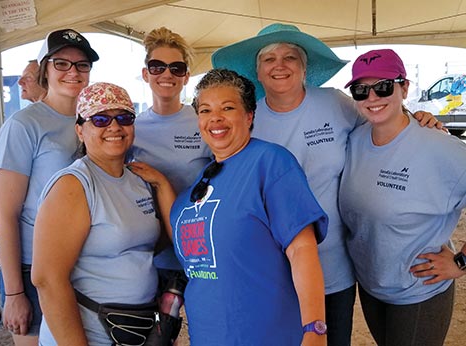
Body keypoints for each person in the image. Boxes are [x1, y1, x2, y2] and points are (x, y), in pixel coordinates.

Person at [211, 23, 441, 346]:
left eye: (290, 57)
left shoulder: (335, 104)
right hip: (269, 273)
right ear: (258, 73)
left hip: (333, 270)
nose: (280, 65)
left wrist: (416, 118)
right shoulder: (246, 120)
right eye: (269, 59)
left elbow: (385, 127)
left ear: (304, 68)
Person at [164, 68, 328, 345]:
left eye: (227, 108)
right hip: (208, 335)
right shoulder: (196, 187)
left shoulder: (270, 163)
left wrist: (314, 330)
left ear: (249, 115)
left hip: (268, 334)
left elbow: (302, 249)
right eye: (205, 110)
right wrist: (160, 184)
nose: (215, 118)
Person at [339, 48, 466, 346]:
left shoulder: (441, 148)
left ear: (404, 87)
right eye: (360, 91)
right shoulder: (354, 140)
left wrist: (461, 262)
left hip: (418, 293)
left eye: (383, 86)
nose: (372, 98)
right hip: (371, 288)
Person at [32, 82, 171, 345]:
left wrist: (163, 185)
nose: (114, 127)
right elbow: (47, 280)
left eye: (124, 117)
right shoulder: (74, 185)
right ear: (80, 130)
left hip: (133, 329)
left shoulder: (138, 179)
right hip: (92, 334)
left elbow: (151, 243)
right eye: (100, 119)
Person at [0, 28, 98, 346]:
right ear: (45, 69)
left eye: (82, 64)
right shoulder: (24, 125)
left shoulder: (94, 120)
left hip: (83, 264)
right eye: (62, 63)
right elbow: (6, 215)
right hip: (31, 267)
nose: (73, 71)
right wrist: (14, 292)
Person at [128, 27, 211, 289]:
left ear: (186, 76)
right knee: (160, 330)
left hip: (205, 247)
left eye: (176, 68)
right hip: (157, 253)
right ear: (145, 74)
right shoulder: (131, 130)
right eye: (157, 67)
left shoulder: (204, 121)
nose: (167, 74)